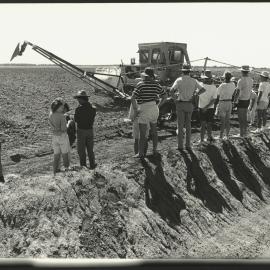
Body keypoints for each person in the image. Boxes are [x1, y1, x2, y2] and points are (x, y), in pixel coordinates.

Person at [131, 67, 167, 158]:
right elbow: (165, 96)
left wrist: (136, 109)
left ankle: (140, 153)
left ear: (145, 76)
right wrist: (158, 105)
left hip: (144, 108)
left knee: (142, 134)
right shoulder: (156, 84)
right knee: (154, 131)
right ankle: (155, 150)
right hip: (154, 108)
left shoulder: (140, 84)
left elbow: (132, 98)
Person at [170, 64, 206, 150]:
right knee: (188, 125)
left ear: (182, 71)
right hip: (189, 104)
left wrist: (175, 100)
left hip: (181, 104)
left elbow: (171, 91)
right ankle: (188, 145)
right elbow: (203, 89)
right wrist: (195, 95)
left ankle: (180, 146)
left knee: (180, 125)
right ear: (189, 72)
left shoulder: (179, 80)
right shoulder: (194, 80)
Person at [74, 90, 97, 169]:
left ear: (81, 99)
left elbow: (76, 120)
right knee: (90, 150)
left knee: (81, 150)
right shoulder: (93, 108)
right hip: (90, 130)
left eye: (78, 99)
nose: (78, 100)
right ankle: (92, 165)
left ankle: (83, 166)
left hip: (81, 131)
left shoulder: (79, 109)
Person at [49, 98, 70, 175]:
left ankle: (55, 171)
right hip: (62, 136)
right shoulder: (62, 116)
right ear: (57, 107)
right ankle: (67, 171)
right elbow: (64, 129)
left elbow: (52, 127)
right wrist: (68, 123)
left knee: (56, 155)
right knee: (65, 154)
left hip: (54, 137)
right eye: (61, 107)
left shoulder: (51, 115)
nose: (63, 109)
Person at [197, 70, 217, 145]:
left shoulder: (200, 85)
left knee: (202, 124)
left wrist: (203, 107)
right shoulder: (214, 87)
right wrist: (207, 107)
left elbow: (197, 95)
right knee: (209, 124)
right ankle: (209, 138)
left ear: (204, 78)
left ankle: (202, 140)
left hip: (201, 107)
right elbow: (214, 99)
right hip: (210, 108)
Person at [234, 65, 253, 138]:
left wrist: (235, 101)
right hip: (247, 100)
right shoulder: (251, 80)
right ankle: (245, 133)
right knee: (244, 117)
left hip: (241, 100)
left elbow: (237, 91)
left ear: (242, 71)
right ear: (248, 71)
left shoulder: (240, 80)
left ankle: (241, 134)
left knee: (240, 118)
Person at [216, 71, 235, 140]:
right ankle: (227, 135)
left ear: (224, 77)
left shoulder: (222, 85)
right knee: (227, 120)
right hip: (229, 102)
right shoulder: (233, 84)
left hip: (222, 102)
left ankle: (221, 136)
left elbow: (217, 94)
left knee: (222, 121)